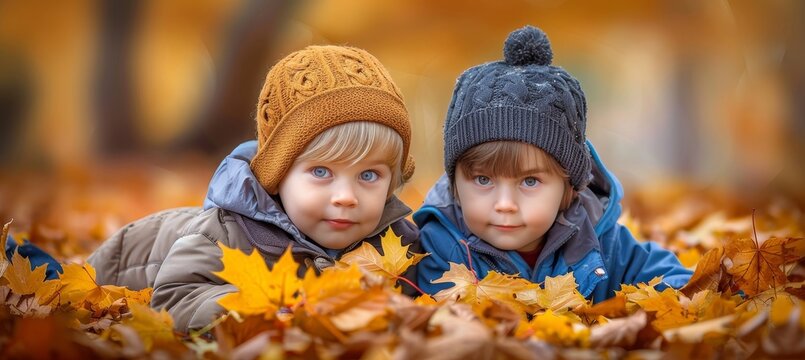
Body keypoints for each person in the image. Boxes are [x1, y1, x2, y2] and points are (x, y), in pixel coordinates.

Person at [88, 45, 419, 331]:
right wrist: (263, 310)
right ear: (278, 175)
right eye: (321, 171)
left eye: (369, 176)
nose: (346, 197)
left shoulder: (398, 243)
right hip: (117, 263)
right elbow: (177, 297)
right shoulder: (224, 234)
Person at [414, 26, 691, 302]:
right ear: (455, 185)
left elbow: (683, 285)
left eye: (529, 181)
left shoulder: (600, 241)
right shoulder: (441, 248)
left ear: (568, 186)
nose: (505, 204)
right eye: (483, 180)